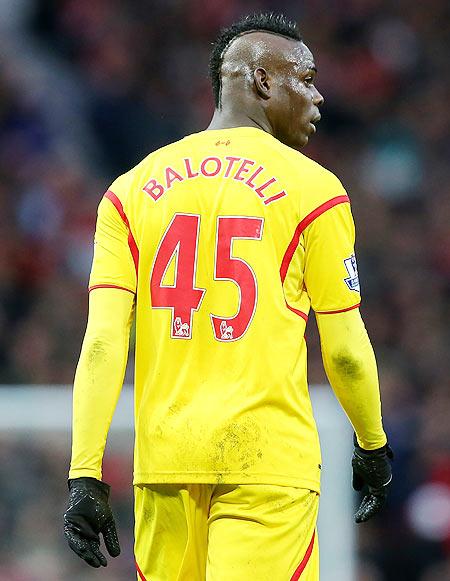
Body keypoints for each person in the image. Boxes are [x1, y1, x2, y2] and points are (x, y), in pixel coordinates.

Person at [63, 12, 393, 580]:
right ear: (262, 81)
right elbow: (342, 350)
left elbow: (102, 346)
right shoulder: (315, 189)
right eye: (306, 79)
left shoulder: (130, 190)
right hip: (266, 467)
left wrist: (85, 473)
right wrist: (371, 442)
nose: (317, 97)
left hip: (163, 469)